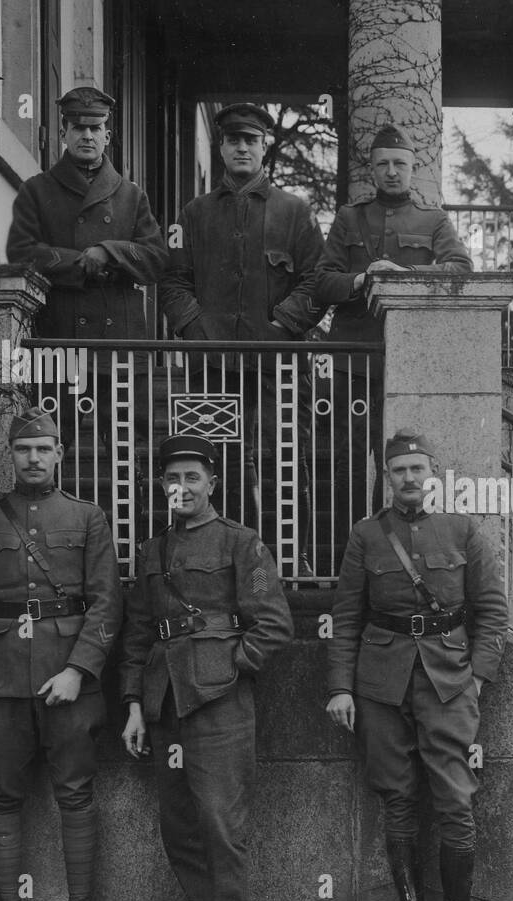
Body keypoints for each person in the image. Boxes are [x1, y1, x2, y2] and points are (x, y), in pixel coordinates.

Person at [0, 407, 122, 901]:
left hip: (70, 682)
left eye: (44, 449)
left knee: (76, 794)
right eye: (24, 449)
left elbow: (108, 604)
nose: (34, 458)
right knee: (1, 797)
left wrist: (78, 670)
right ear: (12, 456)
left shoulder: (88, 518)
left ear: (60, 454)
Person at [325, 430, 508, 901]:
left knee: (455, 800)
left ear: (433, 475)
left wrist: (476, 679)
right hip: (380, 684)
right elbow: (347, 616)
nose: (409, 478)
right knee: (397, 798)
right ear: (388, 477)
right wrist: (340, 686)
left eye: (417, 469)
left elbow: (492, 611)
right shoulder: (366, 535)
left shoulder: (462, 530)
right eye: (399, 469)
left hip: (449, 681)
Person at [119, 435, 294, 901]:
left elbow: (275, 624)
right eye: (172, 478)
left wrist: (232, 664)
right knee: (179, 822)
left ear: (212, 483)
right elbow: (136, 634)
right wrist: (133, 705)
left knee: (221, 819)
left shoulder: (241, 542)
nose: (181, 487)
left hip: (221, 702)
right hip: (166, 699)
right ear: (161, 486)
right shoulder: (153, 550)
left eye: (192, 477)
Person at [160, 103, 326, 571]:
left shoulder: (294, 212)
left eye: (250, 140)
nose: (242, 148)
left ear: (263, 146)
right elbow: (173, 281)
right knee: (219, 465)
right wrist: (196, 332)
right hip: (213, 365)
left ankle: (293, 561)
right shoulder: (193, 214)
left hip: (279, 365)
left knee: (285, 462)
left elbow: (316, 278)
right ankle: (227, 561)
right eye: (233, 140)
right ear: (221, 146)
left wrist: (280, 328)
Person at [314, 125, 472, 529]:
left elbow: (460, 267)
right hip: (352, 365)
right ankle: (346, 548)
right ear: (371, 169)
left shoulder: (433, 220)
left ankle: (395, 546)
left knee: (402, 462)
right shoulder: (349, 218)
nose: (391, 171)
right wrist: (362, 278)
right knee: (347, 464)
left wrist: (401, 274)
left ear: (413, 168)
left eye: (399, 164)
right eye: (382, 164)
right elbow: (322, 281)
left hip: (409, 365)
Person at [5, 86, 168, 453]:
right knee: (51, 438)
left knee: (128, 447)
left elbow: (157, 258)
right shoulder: (37, 190)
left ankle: (130, 510)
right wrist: (81, 262)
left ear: (107, 135)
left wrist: (109, 252)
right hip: (62, 335)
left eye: (95, 129)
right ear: (63, 133)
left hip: (120, 338)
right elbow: (21, 252)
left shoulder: (131, 195)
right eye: (78, 128)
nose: (87, 136)